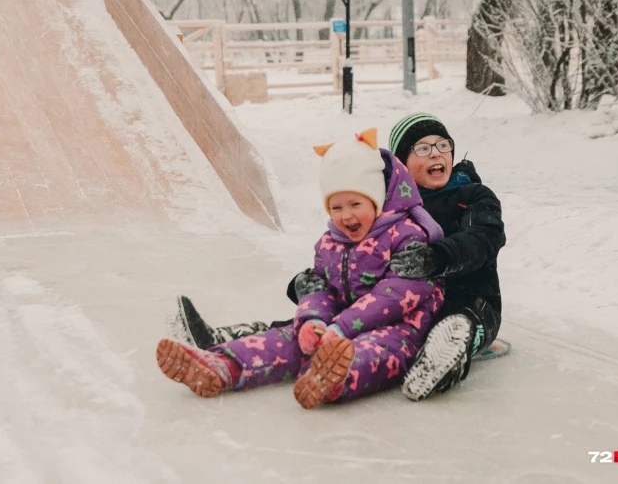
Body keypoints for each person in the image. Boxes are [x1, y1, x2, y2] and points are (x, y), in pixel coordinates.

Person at [171, 113, 506, 401]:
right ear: (403, 161)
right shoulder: (377, 207)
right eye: (423, 148)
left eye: (443, 145)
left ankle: (442, 360)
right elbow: (348, 266)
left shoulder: (470, 195)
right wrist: (303, 287)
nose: (437, 154)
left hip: (467, 301)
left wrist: (437, 256)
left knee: (457, 324)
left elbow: (485, 237)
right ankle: (229, 344)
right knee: (308, 329)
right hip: (395, 310)